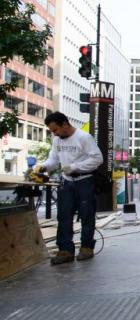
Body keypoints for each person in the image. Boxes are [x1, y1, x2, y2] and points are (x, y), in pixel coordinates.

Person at [35, 112, 103, 265]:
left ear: (65, 124)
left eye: (56, 130)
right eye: (52, 131)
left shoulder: (83, 138)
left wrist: (74, 167)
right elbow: (53, 159)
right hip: (66, 182)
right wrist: (43, 166)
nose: (55, 134)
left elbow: (97, 159)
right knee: (64, 216)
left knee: (86, 215)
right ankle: (65, 250)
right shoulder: (57, 140)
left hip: (84, 180)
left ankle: (86, 247)